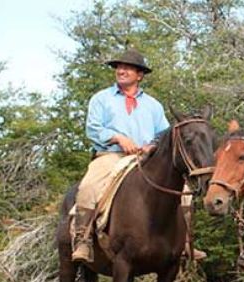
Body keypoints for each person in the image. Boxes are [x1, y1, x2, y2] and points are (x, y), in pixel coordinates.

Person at [76, 49, 183, 263]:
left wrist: (152, 146)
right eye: (119, 67)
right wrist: (117, 138)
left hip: (146, 160)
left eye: (127, 68)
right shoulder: (101, 99)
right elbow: (93, 128)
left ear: (139, 75)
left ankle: (186, 243)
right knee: (88, 186)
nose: (121, 71)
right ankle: (83, 240)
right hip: (110, 155)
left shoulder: (153, 105)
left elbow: (164, 133)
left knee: (185, 192)